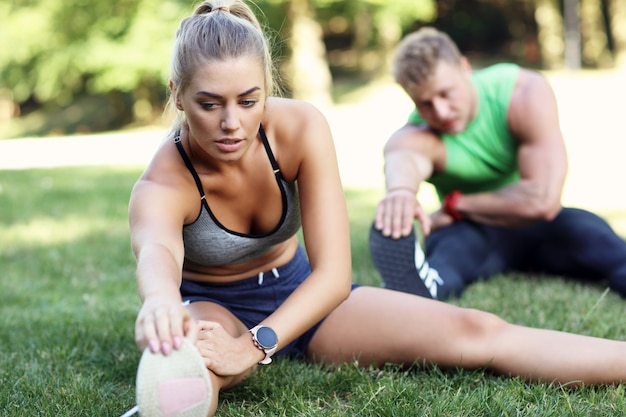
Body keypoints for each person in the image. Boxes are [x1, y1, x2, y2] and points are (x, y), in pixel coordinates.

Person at [128, 4, 626, 417]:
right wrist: (160, 303)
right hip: (216, 308)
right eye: (210, 104)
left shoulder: (301, 128)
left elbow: (335, 276)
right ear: (177, 94)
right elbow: (157, 253)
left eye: (249, 99)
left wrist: (257, 345)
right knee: (185, 376)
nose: (232, 123)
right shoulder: (164, 181)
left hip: (308, 299)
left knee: (477, 331)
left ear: (267, 88)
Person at [369, 27, 626, 301]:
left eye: (446, 94)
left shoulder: (521, 93)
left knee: (596, 238)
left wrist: (457, 205)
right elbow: (403, 157)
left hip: (539, 227)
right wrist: (400, 192)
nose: (440, 112)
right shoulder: (417, 136)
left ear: (465, 68)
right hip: (473, 233)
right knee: (448, 259)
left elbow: (542, 201)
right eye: (425, 104)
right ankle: (418, 290)